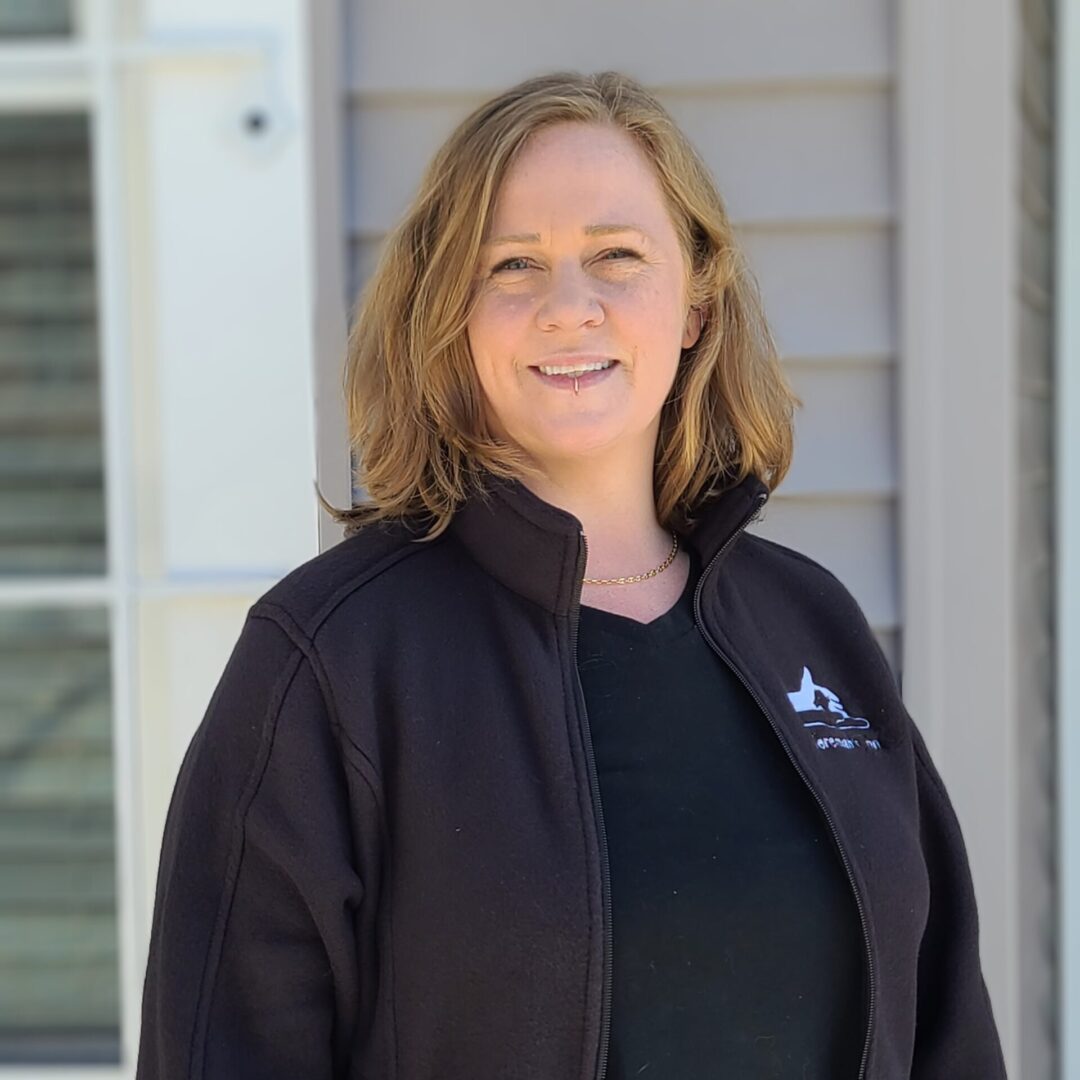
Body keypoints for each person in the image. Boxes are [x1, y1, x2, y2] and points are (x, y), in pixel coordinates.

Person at [135, 71, 1007, 1079]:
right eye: (513, 265)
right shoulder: (332, 661)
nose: (568, 307)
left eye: (616, 256)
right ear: (450, 315)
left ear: (694, 301)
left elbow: (948, 1032)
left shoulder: (811, 627)